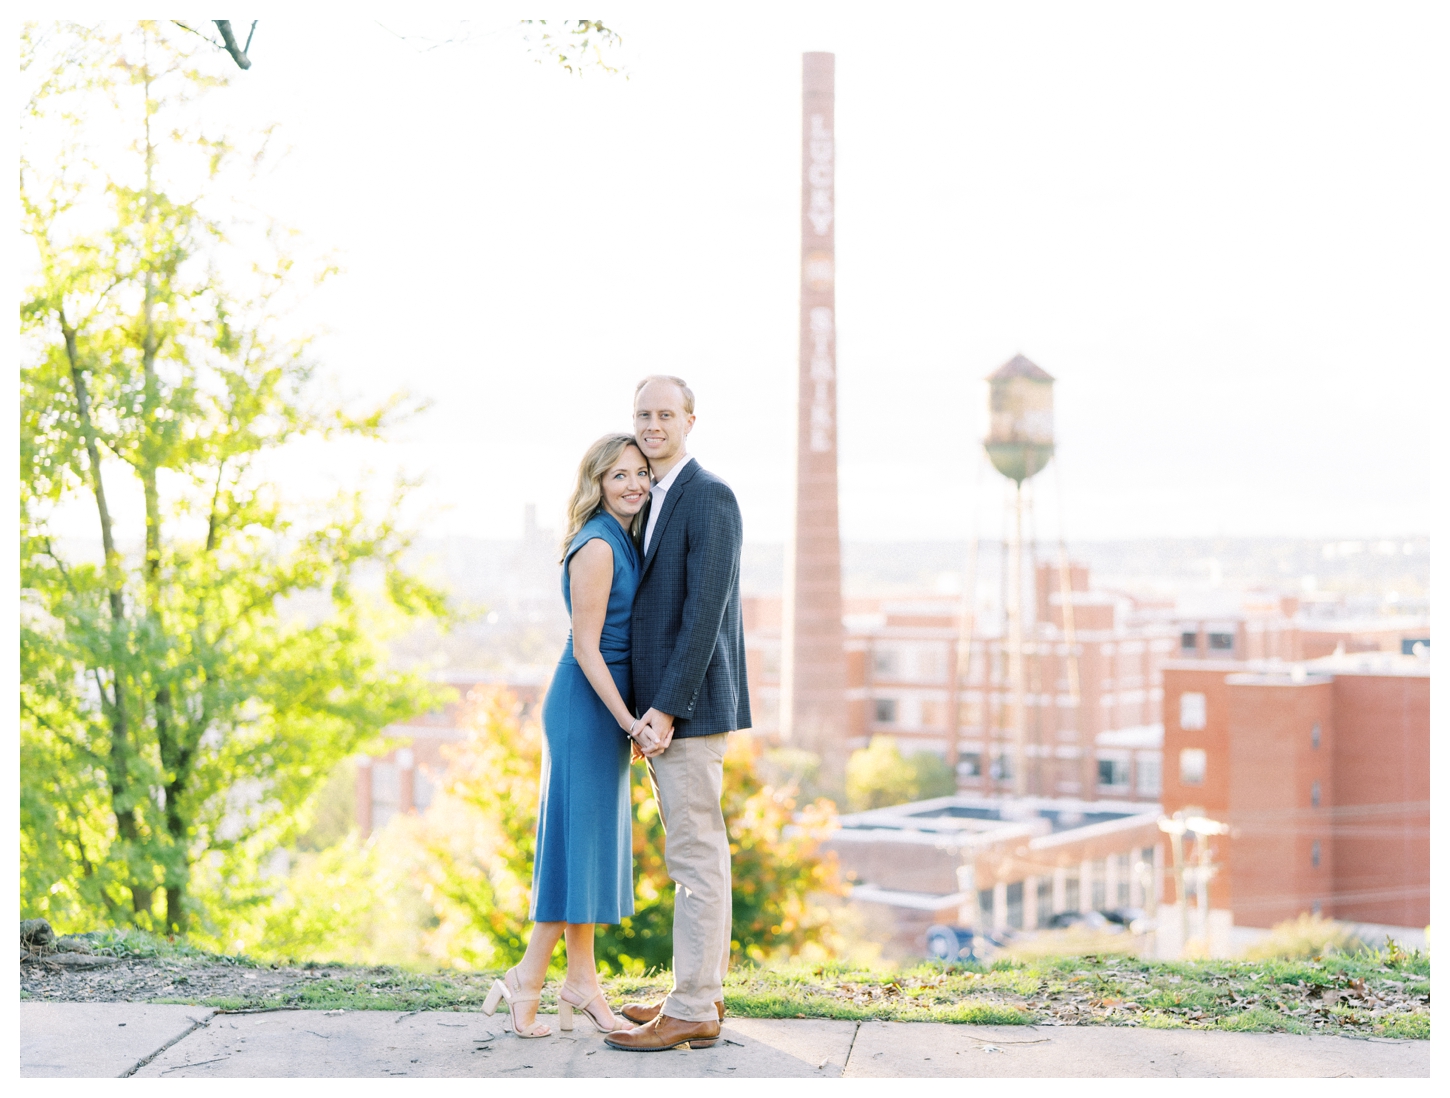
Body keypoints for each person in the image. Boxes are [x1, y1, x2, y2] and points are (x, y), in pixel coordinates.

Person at [483, 433, 652, 1037]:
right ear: (596, 484)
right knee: (574, 849)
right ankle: (528, 977)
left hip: (602, 708)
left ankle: (580, 982)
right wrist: (629, 719)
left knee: (585, 851)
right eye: (618, 476)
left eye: (640, 473)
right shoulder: (600, 547)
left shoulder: (621, 538)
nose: (633, 484)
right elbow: (586, 648)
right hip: (586, 707)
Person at [605, 375, 750, 1053]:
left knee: (696, 857)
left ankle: (692, 1008)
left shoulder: (710, 496)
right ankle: (698, 992)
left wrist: (663, 709)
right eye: (643, 414)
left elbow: (704, 615)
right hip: (664, 713)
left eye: (665, 413)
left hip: (687, 709)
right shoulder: (656, 498)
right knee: (693, 853)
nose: (653, 423)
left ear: (692, 419)